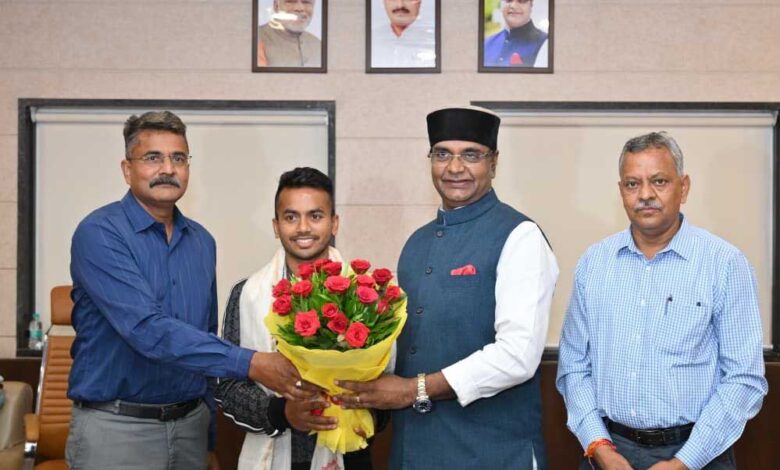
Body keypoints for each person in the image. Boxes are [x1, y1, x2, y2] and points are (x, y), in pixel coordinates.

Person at [66, 111, 312, 470]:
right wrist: (251, 363)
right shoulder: (101, 233)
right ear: (127, 169)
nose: (168, 168)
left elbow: (204, 335)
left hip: (190, 428)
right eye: (153, 157)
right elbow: (146, 330)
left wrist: (207, 431)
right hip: (118, 429)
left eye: (179, 158)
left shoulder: (201, 242)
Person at [334, 106, 559, 469]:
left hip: (493, 455)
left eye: (471, 155)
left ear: (493, 163)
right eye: (442, 154)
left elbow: (518, 355)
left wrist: (414, 390)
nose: (455, 168)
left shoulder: (520, 236)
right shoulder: (416, 244)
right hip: (414, 452)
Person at [556, 132, 768, 470]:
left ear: (683, 187)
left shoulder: (725, 264)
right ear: (621, 191)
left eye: (659, 181)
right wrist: (599, 446)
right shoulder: (594, 264)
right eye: (632, 184)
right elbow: (574, 367)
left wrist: (685, 461)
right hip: (609, 451)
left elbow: (744, 379)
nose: (645, 195)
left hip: (699, 453)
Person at [215, 167, 380, 470]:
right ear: (276, 226)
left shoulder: (364, 294)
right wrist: (282, 412)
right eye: (291, 217)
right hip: (272, 454)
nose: (303, 228)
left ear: (334, 223)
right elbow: (227, 386)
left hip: (348, 455)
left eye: (315, 216)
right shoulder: (247, 294)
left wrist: (352, 404)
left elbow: (386, 383)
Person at [371, 0, 436, 68]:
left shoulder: (433, 38)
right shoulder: (373, 38)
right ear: (384, 2)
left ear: (419, 2)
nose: (400, 5)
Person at [484, 0, 548, 67]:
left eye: (521, 0)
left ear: (531, 4)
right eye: (508, 0)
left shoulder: (545, 44)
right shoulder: (486, 44)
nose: (513, 6)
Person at [257, 0, 321, 67]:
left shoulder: (319, 45)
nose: (299, 8)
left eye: (306, 2)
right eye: (291, 1)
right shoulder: (256, 38)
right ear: (276, 6)